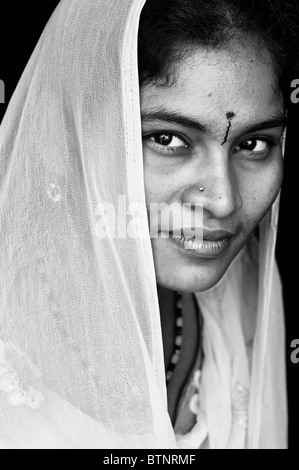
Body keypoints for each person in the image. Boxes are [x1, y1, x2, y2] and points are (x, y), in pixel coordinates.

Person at [0, 0, 297, 449]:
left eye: (254, 144)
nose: (223, 199)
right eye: (167, 139)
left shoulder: (246, 286)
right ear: (64, 137)